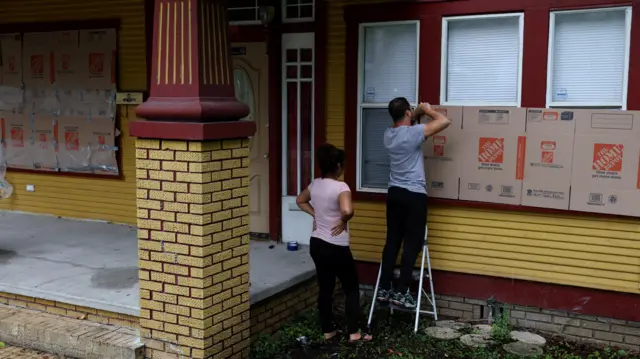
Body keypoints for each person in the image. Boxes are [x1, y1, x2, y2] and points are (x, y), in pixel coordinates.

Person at [376, 98, 451, 309]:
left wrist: (414, 111)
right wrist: (427, 109)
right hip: (414, 195)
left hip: (394, 194)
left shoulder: (388, 134)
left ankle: (384, 287)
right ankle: (401, 292)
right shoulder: (414, 133)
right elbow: (444, 121)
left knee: (393, 241)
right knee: (412, 243)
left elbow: (407, 123)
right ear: (408, 113)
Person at [296, 143, 373, 343]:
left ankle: (328, 331)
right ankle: (354, 333)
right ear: (338, 165)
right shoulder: (341, 187)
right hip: (336, 246)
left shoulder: (315, 184)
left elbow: (299, 200)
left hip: (317, 243)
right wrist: (343, 220)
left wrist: (316, 215)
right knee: (351, 288)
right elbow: (347, 210)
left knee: (326, 288)